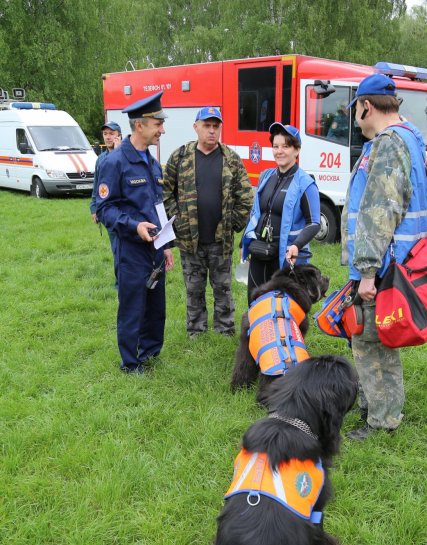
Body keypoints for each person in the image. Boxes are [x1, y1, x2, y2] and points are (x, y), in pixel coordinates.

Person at [341, 73, 427, 441]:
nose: (355, 118)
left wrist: (365, 272)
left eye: (356, 110)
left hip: (383, 269)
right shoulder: (406, 138)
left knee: (374, 342)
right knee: (373, 340)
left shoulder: (390, 144)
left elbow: (380, 213)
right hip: (395, 264)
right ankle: (374, 408)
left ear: (366, 106)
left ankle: (381, 422)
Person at [96, 91, 174, 374]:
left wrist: (165, 244)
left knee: (156, 305)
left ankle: (150, 353)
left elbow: (157, 205)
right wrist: (134, 226)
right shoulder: (114, 163)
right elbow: (105, 209)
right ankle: (131, 364)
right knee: (132, 307)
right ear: (139, 125)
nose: (162, 130)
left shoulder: (152, 163)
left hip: (154, 247)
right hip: (131, 250)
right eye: (158, 124)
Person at [163, 106, 253, 338]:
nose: (212, 131)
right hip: (189, 239)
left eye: (216, 126)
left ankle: (225, 328)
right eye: (207, 126)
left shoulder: (230, 158)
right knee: (194, 288)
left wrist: (233, 224)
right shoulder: (180, 157)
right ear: (196, 127)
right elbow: (165, 192)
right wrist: (178, 221)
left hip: (220, 240)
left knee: (222, 287)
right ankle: (196, 330)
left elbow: (245, 195)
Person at [242, 122, 321, 304]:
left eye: (286, 146)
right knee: (255, 303)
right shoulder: (266, 176)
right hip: (260, 252)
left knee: (284, 308)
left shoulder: (305, 183)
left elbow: (314, 223)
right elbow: (257, 212)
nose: (279, 151)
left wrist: (297, 245)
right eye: (276, 146)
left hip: (287, 257)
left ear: (297, 150)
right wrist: (245, 241)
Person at [90, 121, 122, 286]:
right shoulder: (101, 159)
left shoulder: (125, 155)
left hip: (125, 210)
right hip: (108, 210)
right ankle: (120, 284)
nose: (108, 137)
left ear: (119, 135)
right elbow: (97, 186)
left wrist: (118, 153)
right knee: (116, 248)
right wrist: (94, 208)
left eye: (111, 133)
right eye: (105, 134)